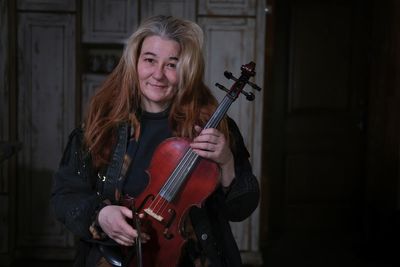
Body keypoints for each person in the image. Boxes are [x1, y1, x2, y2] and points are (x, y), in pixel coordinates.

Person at [51, 15, 260, 267]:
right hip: (113, 258)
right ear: (135, 62)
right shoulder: (102, 126)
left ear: (186, 70)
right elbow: (64, 195)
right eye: (150, 60)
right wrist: (100, 215)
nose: (158, 75)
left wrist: (226, 163)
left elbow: (240, 210)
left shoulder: (212, 128)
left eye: (172, 64)